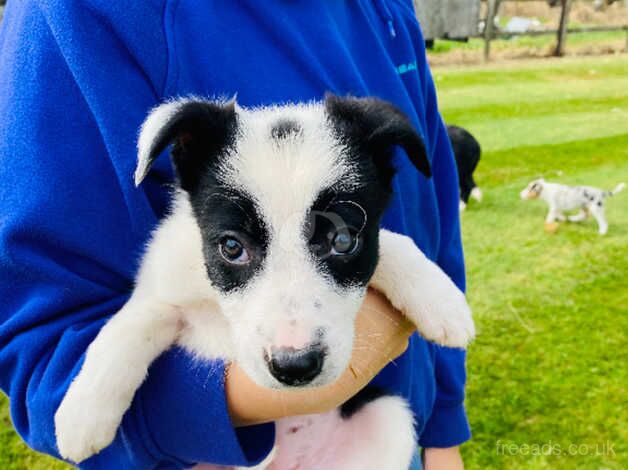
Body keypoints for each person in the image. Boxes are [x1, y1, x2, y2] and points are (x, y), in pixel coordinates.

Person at [0, 1, 469, 468]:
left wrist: (443, 429)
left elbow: (436, 223)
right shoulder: (73, 14)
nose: (296, 341)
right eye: (234, 246)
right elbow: (74, 330)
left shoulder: (388, 8)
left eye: (339, 240)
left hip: (368, 439)